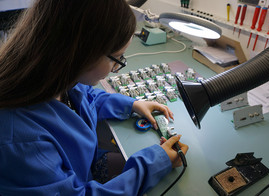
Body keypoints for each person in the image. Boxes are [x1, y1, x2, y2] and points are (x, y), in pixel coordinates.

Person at [0, 0, 189, 195]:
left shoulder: (55, 76)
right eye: (117, 58)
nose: (116, 69)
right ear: (83, 51)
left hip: (84, 172)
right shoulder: (20, 141)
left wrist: (132, 104)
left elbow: (86, 97)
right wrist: (153, 164)